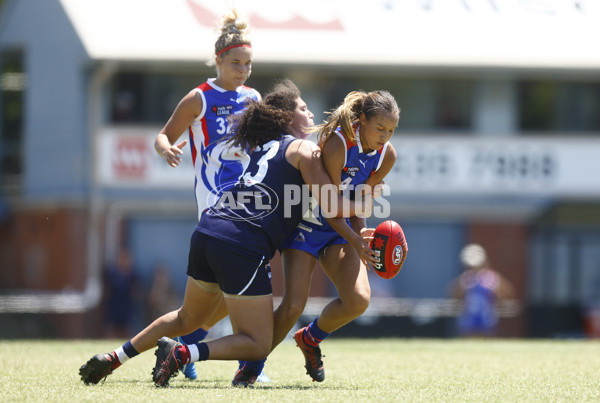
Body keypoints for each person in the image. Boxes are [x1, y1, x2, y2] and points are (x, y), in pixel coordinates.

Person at [79, 80, 375, 388]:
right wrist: (368, 196)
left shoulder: (263, 147)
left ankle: (115, 358)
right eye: (303, 108)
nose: (311, 113)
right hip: (241, 245)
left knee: (186, 319)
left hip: (208, 231)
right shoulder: (305, 149)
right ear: (287, 119)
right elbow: (331, 204)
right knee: (257, 343)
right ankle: (181, 353)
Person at [239, 90, 400, 383]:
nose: (385, 136)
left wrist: (359, 230)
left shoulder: (386, 155)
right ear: (362, 120)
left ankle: (310, 339)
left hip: (341, 230)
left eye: (391, 130)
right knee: (293, 305)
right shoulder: (338, 143)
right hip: (308, 225)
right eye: (380, 128)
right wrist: (354, 239)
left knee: (358, 301)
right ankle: (251, 368)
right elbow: (331, 207)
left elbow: (361, 201)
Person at [152, 7, 264, 382]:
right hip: (215, 206)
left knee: (228, 297)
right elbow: (164, 135)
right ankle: (248, 364)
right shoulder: (199, 98)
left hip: (248, 204)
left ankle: (183, 348)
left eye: (248, 64)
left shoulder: (253, 97)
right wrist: (166, 149)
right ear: (219, 61)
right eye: (236, 63)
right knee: (242, 290)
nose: (243, 71)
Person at [450, 243, 515, 337]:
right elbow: (454, 294)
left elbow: (508, 293)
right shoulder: (466, 277)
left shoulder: (491, 277)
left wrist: (497, 296)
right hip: (469, 319)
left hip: (487, 319)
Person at [102, 248, 141, 339]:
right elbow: (106, 290)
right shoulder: (111, 274)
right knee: (111, 329)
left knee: (127, 330)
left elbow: (137, 291)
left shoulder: (133, 275)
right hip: (113, 306)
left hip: (127, 306)